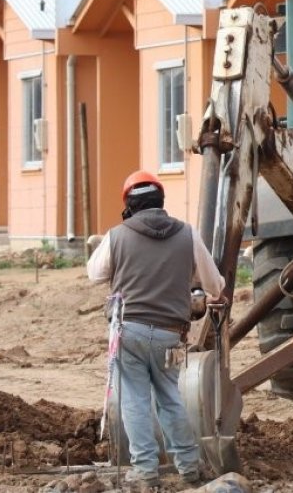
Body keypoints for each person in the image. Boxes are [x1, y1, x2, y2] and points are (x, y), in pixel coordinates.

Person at [87, 170, 224, 489]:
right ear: (161, 202)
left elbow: (94, 273)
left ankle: (146, 471)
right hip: (171, 335)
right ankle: (189, 467)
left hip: (129, 332)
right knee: (170, 397)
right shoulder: (188, 234)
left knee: (133, 399)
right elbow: (215, 285)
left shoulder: (118, 235)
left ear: (129, 206)